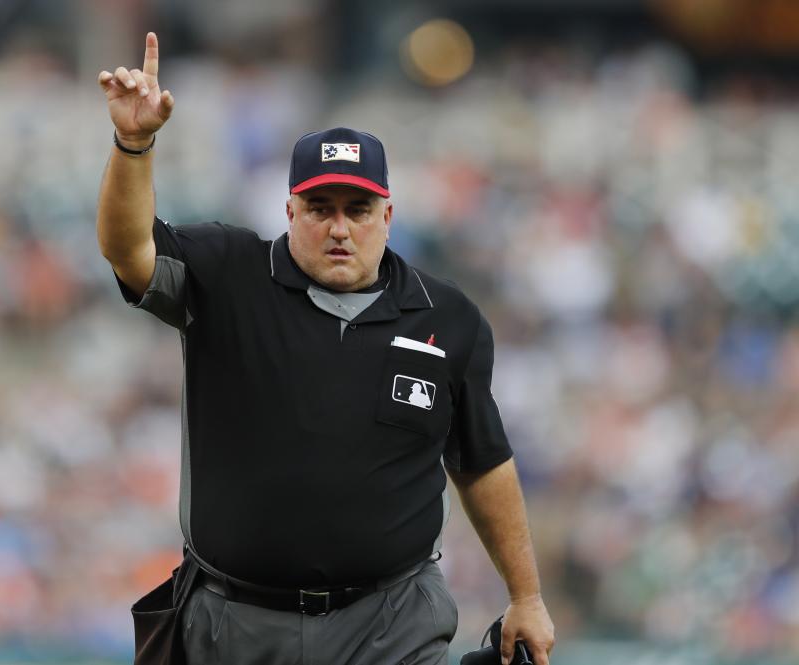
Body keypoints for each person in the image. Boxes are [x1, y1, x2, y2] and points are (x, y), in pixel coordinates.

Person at [96, 32, 556, 665]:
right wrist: (133, 144)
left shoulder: (447, 317)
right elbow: (128, 250)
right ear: (289, 209)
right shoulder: (228, 275)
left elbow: (481, 460)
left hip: (389, 623)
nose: (340, 227)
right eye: (320, 207)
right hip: (237, 622)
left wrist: (525, 595)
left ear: (387, 215)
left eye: (358, 208)